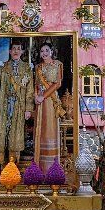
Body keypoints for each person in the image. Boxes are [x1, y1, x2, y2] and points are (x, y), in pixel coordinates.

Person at [0, 40, 34, 164]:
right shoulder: (1, 69)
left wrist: (28, 109)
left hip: (19, 106)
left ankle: (13, 166)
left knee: (15, 134)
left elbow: (30, 90)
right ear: (10, 51)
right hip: (3, 104)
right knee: (1, 133)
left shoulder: (27, 69)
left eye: (19, 48)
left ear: (22, 51)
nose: (16, 51)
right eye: (14, 49)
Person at [33, 41, 64, 173]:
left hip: (50, 100)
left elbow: (57, 84)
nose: (44, 53)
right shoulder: (38, 67)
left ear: (52, 52)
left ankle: (52, 168)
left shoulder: (58, 64)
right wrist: (36, 96)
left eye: (46, 50)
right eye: (42, 51)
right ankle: (38, 166)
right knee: (40, 129)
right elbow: (35, 84)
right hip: (39, 101)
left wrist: (43, 96)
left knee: (50, 128)